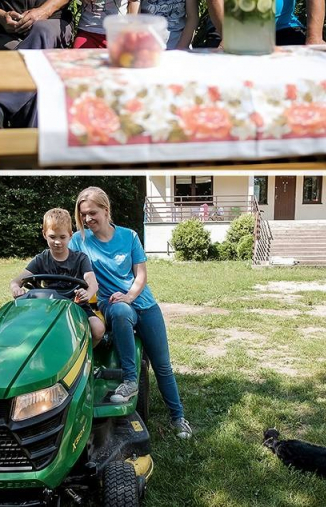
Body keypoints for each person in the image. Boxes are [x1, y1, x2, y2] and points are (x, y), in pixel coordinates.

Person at [69, 187, 193, 439]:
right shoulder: (78, 240)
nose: (88, 219)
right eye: (83, 215)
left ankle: (178, 417)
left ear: (106, 210)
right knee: (121, 310)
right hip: (110, 304)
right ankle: (129, 380)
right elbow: (67, 268)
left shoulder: (129, 236)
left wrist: (130, 295)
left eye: (93, 213)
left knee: (162, 365)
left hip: (143, 303)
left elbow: (141, 275)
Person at [10, 208, 105, 342]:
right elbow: (16, 281)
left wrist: (87, 294)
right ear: (44, 235)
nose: (57, 242)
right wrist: (15, 288)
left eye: (62, 237)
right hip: (47, 306)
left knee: (98, 329)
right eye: (52, 237)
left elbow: (93, 283)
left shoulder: (80, 259)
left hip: (75, 304)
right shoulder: (41, 259)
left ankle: (87, 357)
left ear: (70, 235)